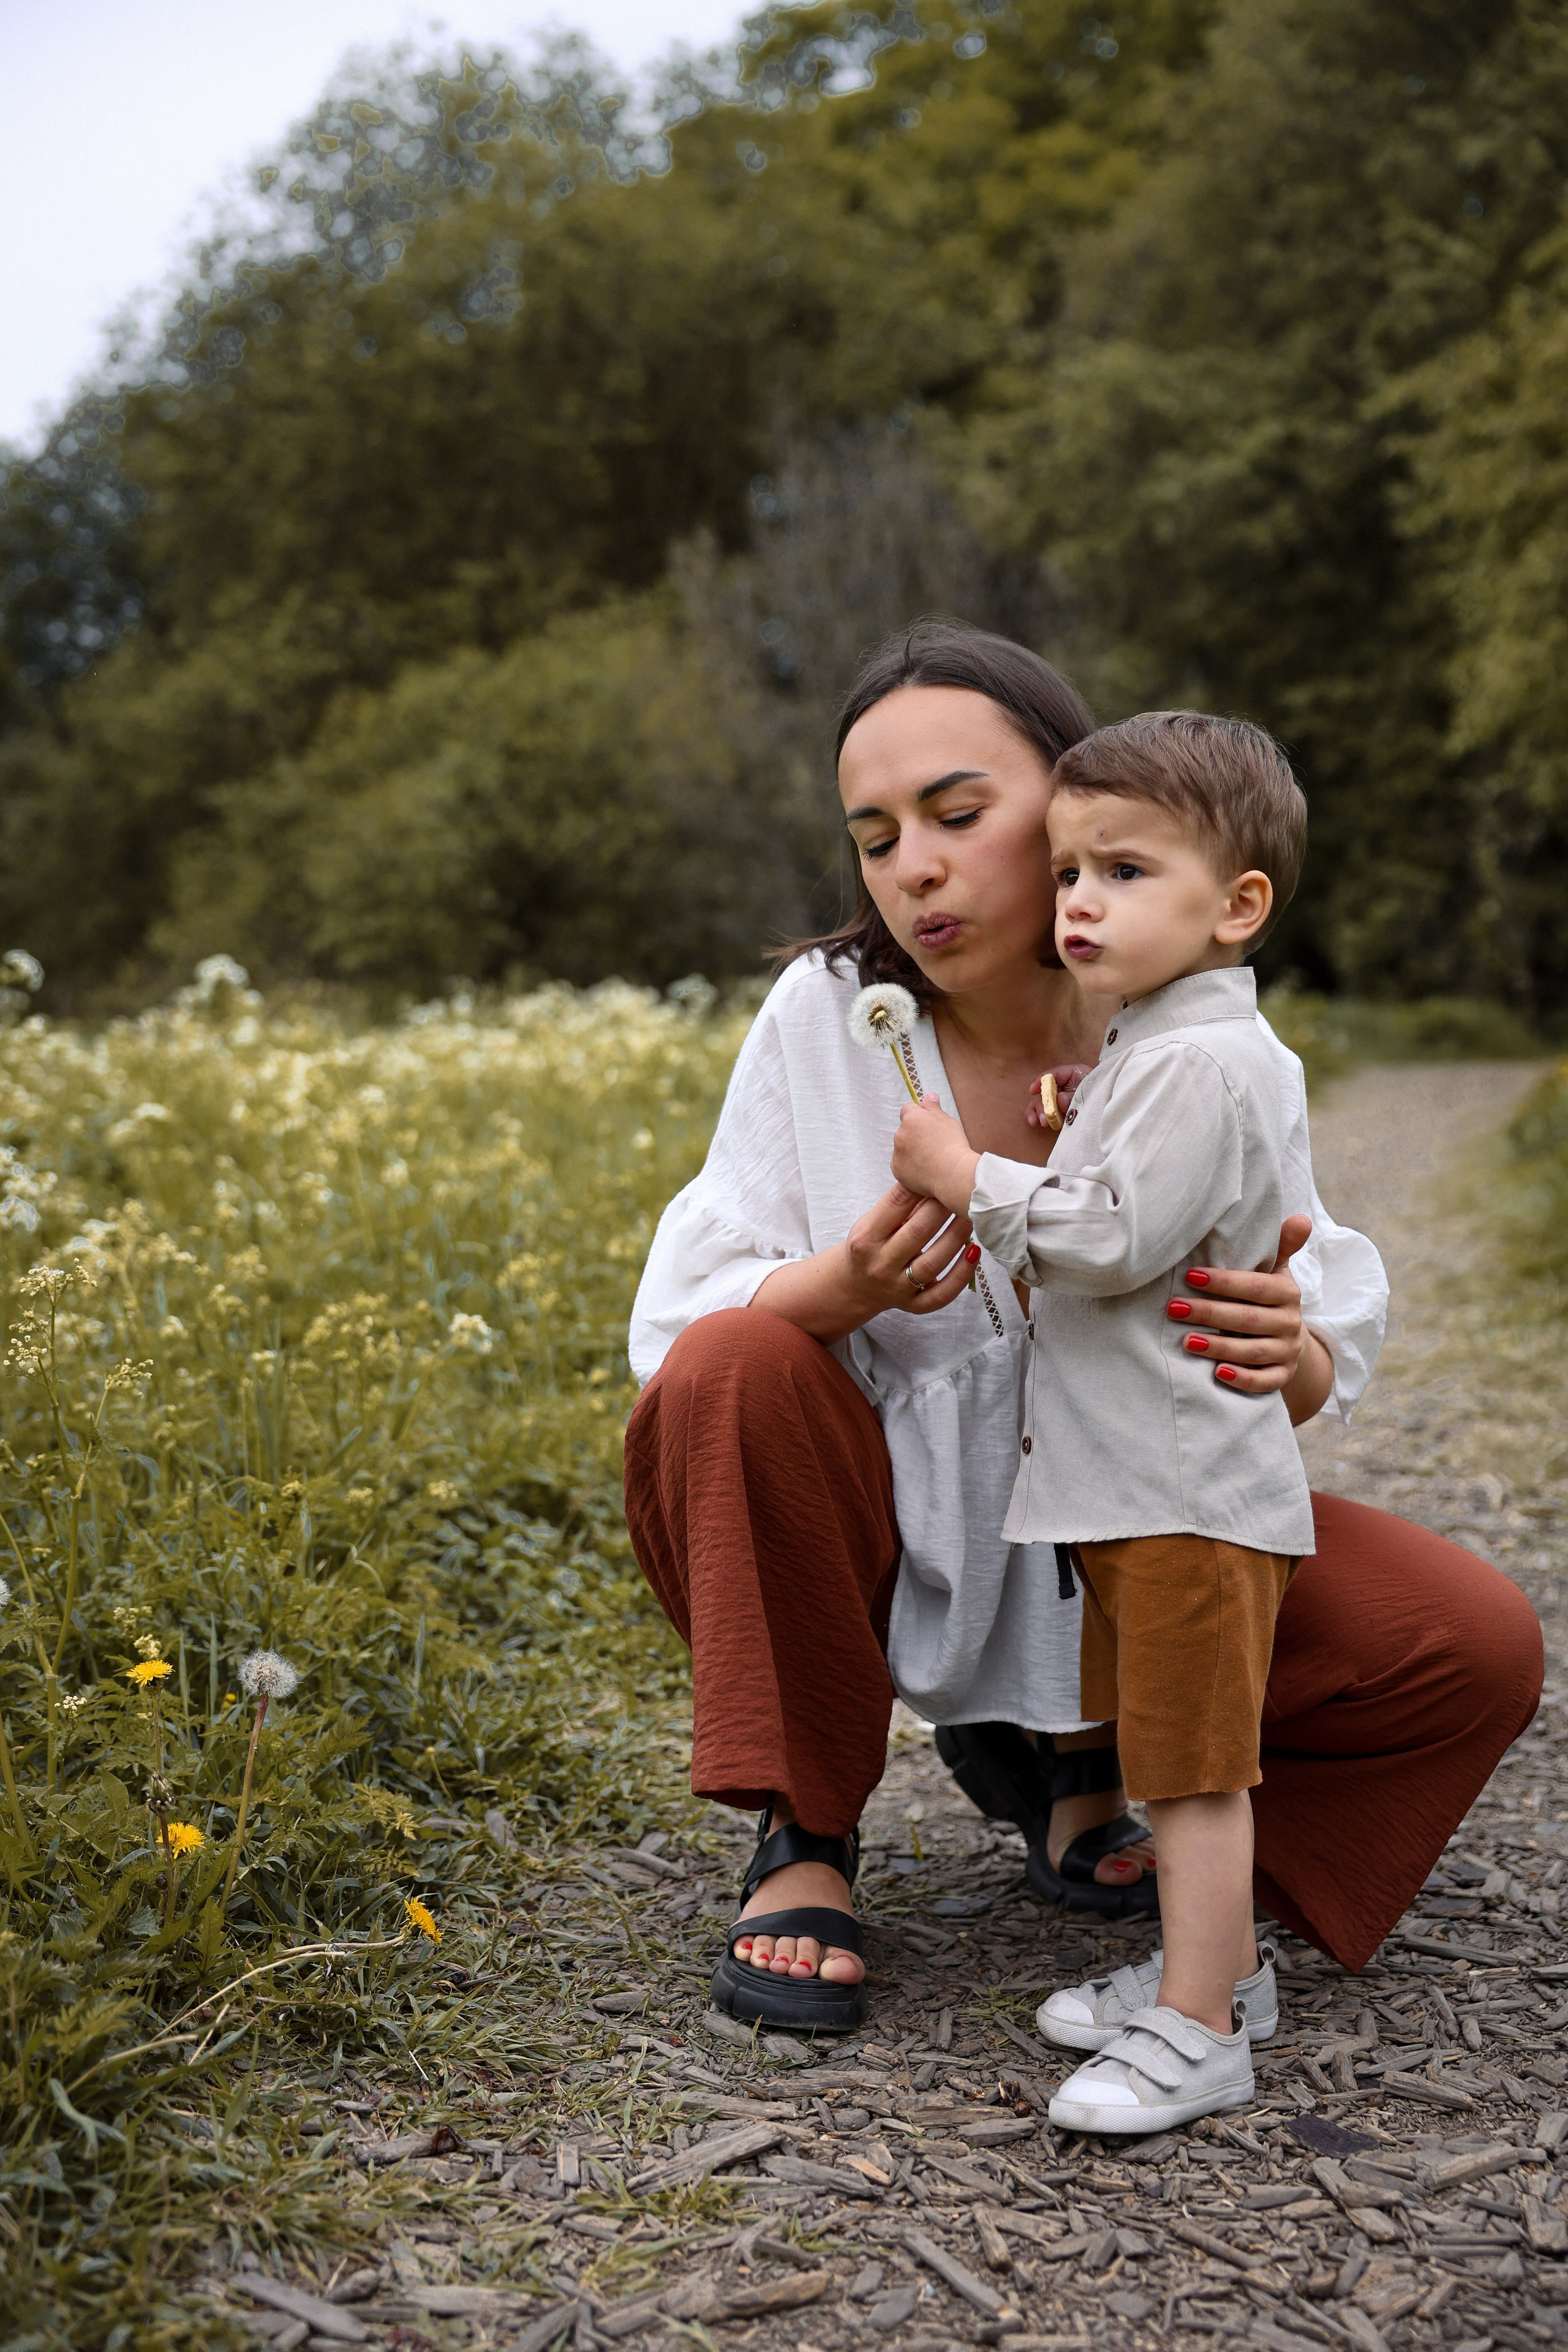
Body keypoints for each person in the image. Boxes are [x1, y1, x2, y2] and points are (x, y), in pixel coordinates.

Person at [623, 622, 1543, 2039]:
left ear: (1073, 800)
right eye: (874, 839)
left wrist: (1290, 1349)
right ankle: (803, 1828)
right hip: (898, 1525)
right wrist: (846, 1285)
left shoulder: (1187, 1034)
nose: (912, 868)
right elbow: (681, 1316)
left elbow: (1301, 1327)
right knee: (732, 1362)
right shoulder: (834, 1015)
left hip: (1130, 1539)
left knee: (1464, 1645)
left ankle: (1097, 1773)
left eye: (956, 814)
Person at [889, 708, 1314, 2129]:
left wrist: (966, 1174)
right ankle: (1216, 1974)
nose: (1078, 900)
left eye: (1124, 872)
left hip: (1180, 1484)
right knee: (1167, 1753)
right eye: (1069, 871)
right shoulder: (1159, 1049)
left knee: (1191, 1775)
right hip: (1141, 1480)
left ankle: (1200, 2030)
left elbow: (1110, 1238)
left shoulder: (1197, 1062)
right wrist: (1086, 1117)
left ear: (1234, 908)